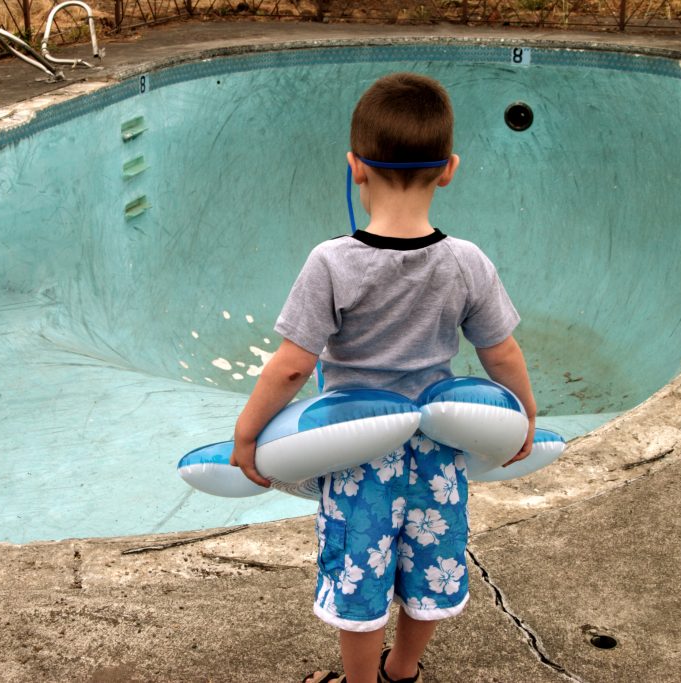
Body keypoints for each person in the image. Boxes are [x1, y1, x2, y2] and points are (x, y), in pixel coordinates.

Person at [229, 72, 536, 683]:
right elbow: (501, 354)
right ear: (449, 169)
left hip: (358, 454)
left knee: (359, 575)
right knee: (432, 569)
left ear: (355, 168)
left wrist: (247, 432)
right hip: (437, 453)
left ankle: (360, 682)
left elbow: (293, 365)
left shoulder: (333, 262)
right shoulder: (466, 261)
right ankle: (404, 672)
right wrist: (522, 418)